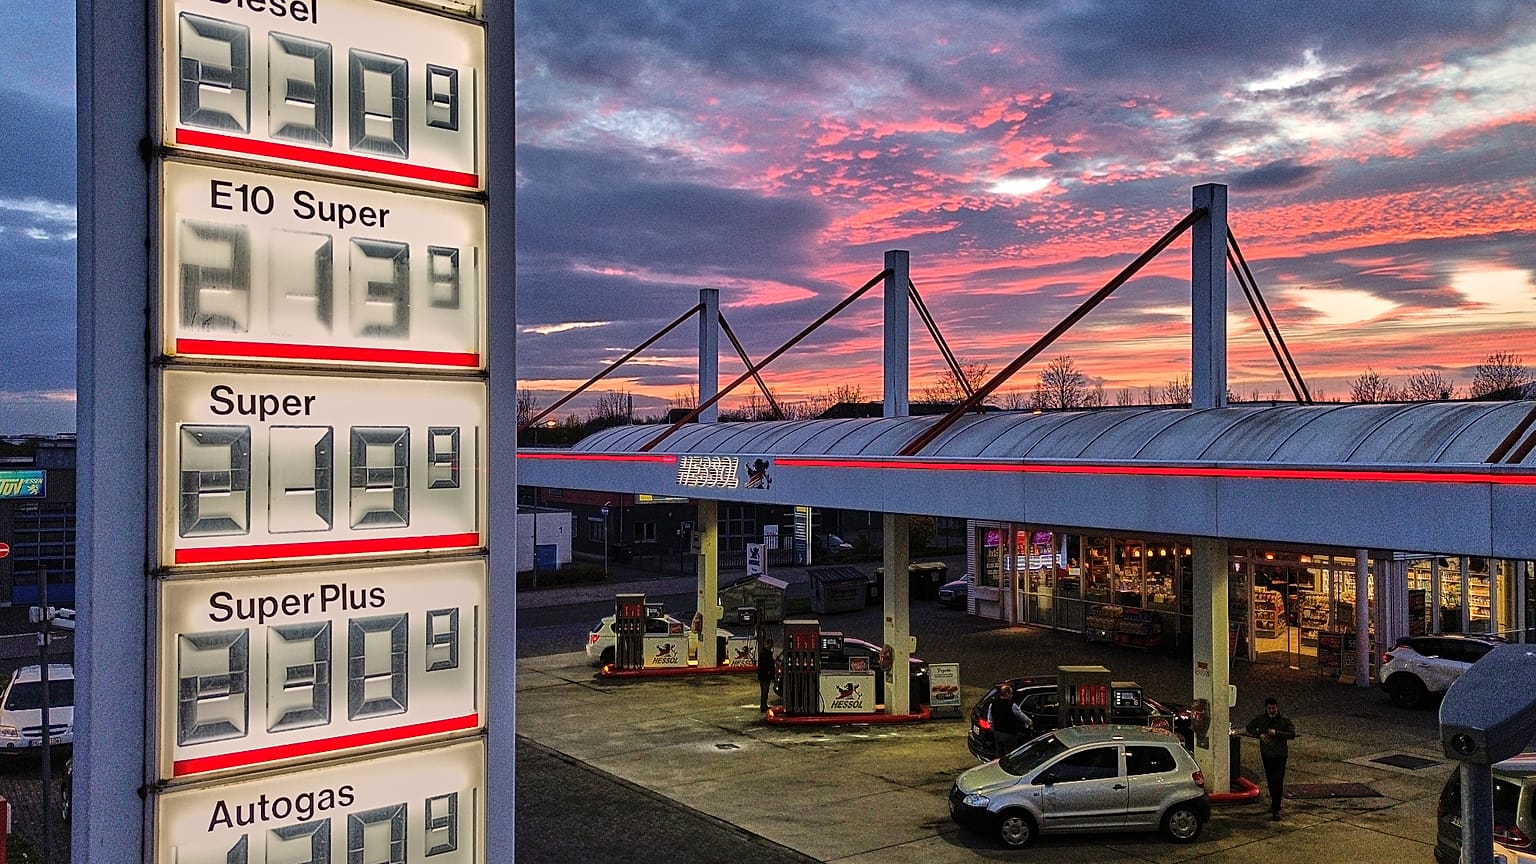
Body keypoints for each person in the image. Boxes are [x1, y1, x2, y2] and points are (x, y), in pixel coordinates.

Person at [1245, 696, 1297, 820]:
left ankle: (1276, 807)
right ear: (1266, 708)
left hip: (1280, 755)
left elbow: (1292, 734)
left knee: (1278, 781)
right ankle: (1274, 804)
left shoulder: (1284, 720)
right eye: (1269, 708)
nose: (1272, 710)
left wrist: (1277, 733)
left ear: (1277, 707)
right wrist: (1260, 735)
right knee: (1270, 780)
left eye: (1273, 708)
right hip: (1267, 754)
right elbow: (1249, 727)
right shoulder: (1261, 719)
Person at [988, 683, 1028, 758]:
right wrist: (1029, 721)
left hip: (997, 733)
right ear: (1006, 694)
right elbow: (1021, 715)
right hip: (1009, 735)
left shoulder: (993, 704)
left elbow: (990, 718)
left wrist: (993, 729)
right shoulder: (1012, 705)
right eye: (1011, 694)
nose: (1012, 695)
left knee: (999, 754)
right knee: (1010, 755)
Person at [757, 637, 776, 713]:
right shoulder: (764, 654)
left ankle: (764, 705)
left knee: (765, 691)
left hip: (765, 676)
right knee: (764, 692)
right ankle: (763, 706)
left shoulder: (766, 653)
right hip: (764, 676)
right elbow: (766, 666)